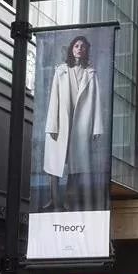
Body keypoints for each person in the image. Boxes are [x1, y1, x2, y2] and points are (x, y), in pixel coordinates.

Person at [42, 35, 105, 211]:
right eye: (76, 45)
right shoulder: (60, 71)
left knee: (76, 166)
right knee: (54, 164)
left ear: (86, 51)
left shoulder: (91, 73)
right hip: (61, 124)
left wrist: (96, 127)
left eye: (83, 46)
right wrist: (52, 126)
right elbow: (53, 100)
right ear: (71, 48)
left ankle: (69, 202)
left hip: (80, 126)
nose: (79, 48)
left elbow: (96, 101)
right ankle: (55, 200)